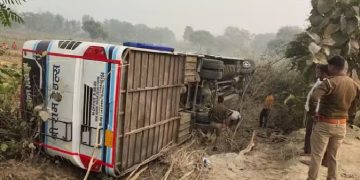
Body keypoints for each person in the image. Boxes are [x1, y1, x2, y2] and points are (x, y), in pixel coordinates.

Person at [307, 56, 360, 180]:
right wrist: (351, 112)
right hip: (341, 125)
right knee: (333, 156)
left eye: (329, 66)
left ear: (333, 67)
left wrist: (312, 113)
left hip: (324, 124)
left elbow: (314, 97)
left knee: (317, 156)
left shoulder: (329, 82)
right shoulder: (354, 84)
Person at [304, 64, 329, 155]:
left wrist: (315, 112)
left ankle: (309, 152)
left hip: (315, 112)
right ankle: (307, 150)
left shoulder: (324, 84)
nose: (316, 72)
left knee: (311, 132)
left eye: (318, 71)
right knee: (309, 131)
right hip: (311, 110)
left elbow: (318, 100)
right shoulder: (318, 82)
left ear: (324, 73)